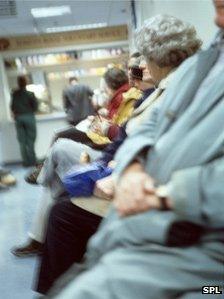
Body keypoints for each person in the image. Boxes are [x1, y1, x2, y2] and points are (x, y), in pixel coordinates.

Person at [40, 10, 224, 299]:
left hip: (192, 235)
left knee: (65, 214)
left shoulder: (178, 80)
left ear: (156, 59)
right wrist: (132, 165)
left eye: (222, 8)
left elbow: (129, 130)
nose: (217, 21)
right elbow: (147, 128)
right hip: (149, 207)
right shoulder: (202, 65)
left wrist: (162, 194)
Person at [10, 67, 140, 257]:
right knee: (52, 145)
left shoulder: (131, 98)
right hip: (113, 153)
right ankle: (44, 172)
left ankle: (42, 171)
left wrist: (105, 130)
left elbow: (121, 136)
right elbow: (122, 133)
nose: (135, 71)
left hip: (116, 158)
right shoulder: (130, 97)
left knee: (48, 144)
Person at [10, 76, 38, 167]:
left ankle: (25, 162)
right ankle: (32, 161)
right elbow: (35, 107)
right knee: (31, 140)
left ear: (18, 83)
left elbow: (12, 106)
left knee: (22, 141)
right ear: (26, 83)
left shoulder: (14, 93)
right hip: (29, 117)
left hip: (18, 118)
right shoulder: (30, 94)